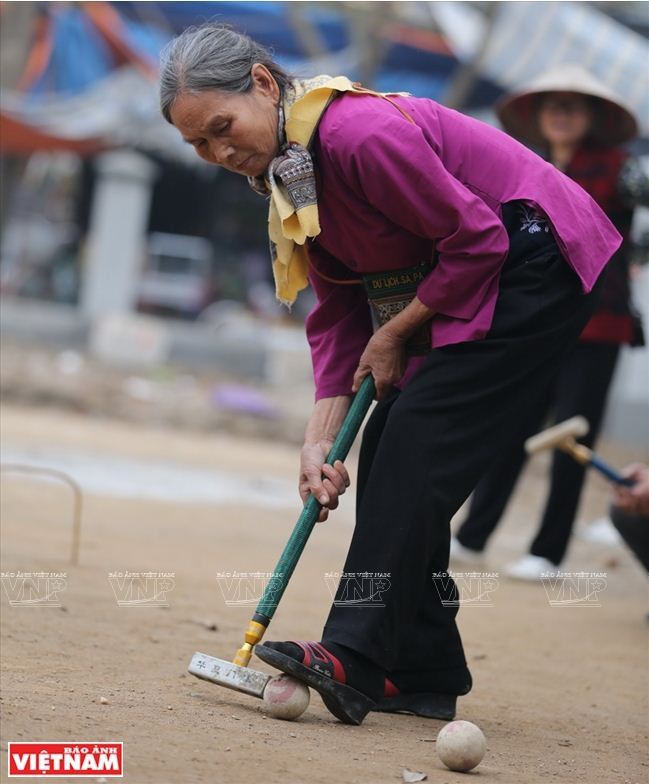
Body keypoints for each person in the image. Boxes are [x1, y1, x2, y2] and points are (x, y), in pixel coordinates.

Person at [160, 26, 621, 725]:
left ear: (260, 84)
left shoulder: (356, 135)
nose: (220, 152)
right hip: (466, 274)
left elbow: (478, 238)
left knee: (414, 446)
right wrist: (318, 440)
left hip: (535, 252)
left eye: (222, 128)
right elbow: (341, 307)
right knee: (389, 459)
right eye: (198, 145)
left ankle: (354, 654)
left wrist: (398, 331)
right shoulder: (290, 171)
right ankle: (419, 669)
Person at [452, 65, 648, 581]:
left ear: (592, 117)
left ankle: (549, 552)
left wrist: (638, 251)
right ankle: (472, 537)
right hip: (532, 319)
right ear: (539, 115)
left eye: (573, 105)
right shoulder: (525, 165)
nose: (561, 114)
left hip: (597, 324)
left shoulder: (621, 169)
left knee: (571, 440)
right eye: (552, 105)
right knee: (510, 425)